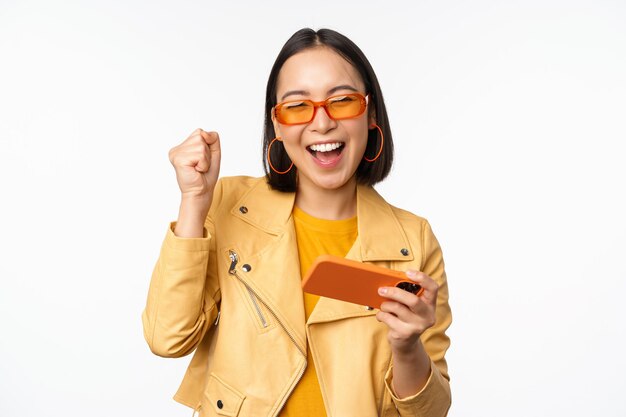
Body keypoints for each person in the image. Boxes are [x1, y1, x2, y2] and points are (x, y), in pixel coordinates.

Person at [142, 28, 452, 417]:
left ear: (371, 114)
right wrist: (194, 202)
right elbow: (168, 338)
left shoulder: (413, 239)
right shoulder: (231, 205)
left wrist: (408, 346)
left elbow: (432, 411)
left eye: (342, 101)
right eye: (297, 106)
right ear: (276, 125)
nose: (321, 123)